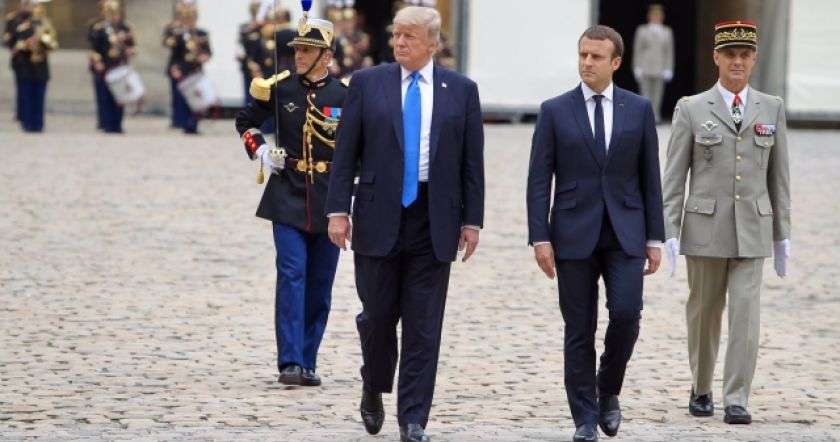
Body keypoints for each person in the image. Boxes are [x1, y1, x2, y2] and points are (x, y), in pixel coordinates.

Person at [325, 5, 484, 442]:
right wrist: (338, 210)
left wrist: (472, 220)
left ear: (433, 43)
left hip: (434, 218)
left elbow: (472, 162)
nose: (398, 43)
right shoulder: (367, 83)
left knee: (423, 327)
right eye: (395, 34)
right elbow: (346, 153)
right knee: (377, 318)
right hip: (378, 213)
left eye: (409, 36)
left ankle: (413, 419)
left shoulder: (461, 90)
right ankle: (374, 383)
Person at [526, 25, 664, 441]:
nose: (587, 62)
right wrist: (540, 237)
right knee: (579, 328)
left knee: (626, 314)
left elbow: (650, 177)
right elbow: (539, 179)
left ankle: (608, 388)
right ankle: (584, 418)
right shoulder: (555, 110)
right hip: (572, 234)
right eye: (583, 55)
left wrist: (654, 238)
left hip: (625, 232)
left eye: (596, 57)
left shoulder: (638, 109)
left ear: (616, 62)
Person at [662, 20, 791, 425]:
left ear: (754, 59)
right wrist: (668, 230)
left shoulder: (771, 107)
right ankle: (701, 387)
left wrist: (782, 234)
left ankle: (737, 396)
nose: (737, 61)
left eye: (745, 55)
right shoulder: (692, 108)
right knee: (704, 313)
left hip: (754, 228)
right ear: (716, 57)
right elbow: (674, 176)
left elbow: (779, 177)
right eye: (730, 54)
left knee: (746, 317)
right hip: (705, 229)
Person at [235, 16, 347, 387]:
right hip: (286, 195)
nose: (297, 56)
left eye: (306, 51)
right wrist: (261, 151)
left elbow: (359, 148)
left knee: (320, 285)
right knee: (292, 274)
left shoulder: (345, 96)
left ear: (326, 56)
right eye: (296, 49)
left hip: (329, 199)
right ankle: (290, 362)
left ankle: (308, 360)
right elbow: (245, 122)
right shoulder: (280, 89)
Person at [3, 0, 58, 133]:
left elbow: (52, 42)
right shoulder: (17, 22)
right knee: (25, 94)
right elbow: (11, 41)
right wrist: (26, 44)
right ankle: (27, 122)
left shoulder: (44, 23)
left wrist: (44, 43)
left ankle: (38, 124)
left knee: (39, 95)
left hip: (40, 64)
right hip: (24, 63)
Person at [88, 0, 136, 133]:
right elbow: (94, 49)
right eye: (110, 13)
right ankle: (107, 124)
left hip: (120, 65)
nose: (114, 16)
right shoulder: (99, 28)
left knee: (120, 96)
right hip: (105, 65)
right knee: (105, 96)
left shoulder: (125, 28)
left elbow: (132, 46)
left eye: (116, 13)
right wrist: (97, 62)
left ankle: (118, 124)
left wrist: (129, 50)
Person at [164, 2, 210, 134]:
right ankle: (184, 123)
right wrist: (174, 68)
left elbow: (208, 51)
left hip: (195, 70)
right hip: (182, 70)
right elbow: (175, 54)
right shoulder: (178, 35)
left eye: (192, 19)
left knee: (197, 98)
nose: (190, 22)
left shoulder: (201, 33)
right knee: (183, 99)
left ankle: (193, 124)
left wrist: (205, 56)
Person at [632, 4, 674, 123]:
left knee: (657, 95)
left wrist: (669, 68)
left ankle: (655, 115)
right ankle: (645, 116)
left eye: (658, 15)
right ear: (649, 16)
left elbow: (669, 51)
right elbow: (637, 49)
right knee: (645, 94)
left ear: (662, 17)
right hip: (645, 66)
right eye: (653, 15)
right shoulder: (642, 30)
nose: (656, 17)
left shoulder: (667, 31)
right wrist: (636, 66)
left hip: (660, 67)